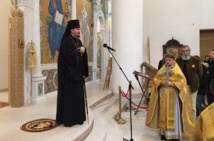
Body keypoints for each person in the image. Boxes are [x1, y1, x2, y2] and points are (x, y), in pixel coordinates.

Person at [145, 53, 194, 141]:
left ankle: (174, 135)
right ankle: (164, 133)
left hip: (173, 95)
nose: (167, 62)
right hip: (163, 94)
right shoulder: (163, 69)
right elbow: (156, 79)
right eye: (166, 60)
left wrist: (173, 83)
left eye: (169, 60)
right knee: (163, 113)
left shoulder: (177, 70)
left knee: (173, 113)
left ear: (174, 60)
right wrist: (161, 82)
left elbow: (183, 82)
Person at [56, 20, 89, 127]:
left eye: (79, 29)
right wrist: (78, 52)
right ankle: (69, 119)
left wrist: (84, 51)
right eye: (77, 29)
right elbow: (66, 57)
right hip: (68, 77)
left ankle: (78, 118)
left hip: (78, 76)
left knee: (78, 99)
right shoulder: (66, 41)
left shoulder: (78, 42)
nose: (79, 31)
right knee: (69, 99)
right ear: (71, 30)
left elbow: (81, 53)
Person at [176, 45, 203, 120]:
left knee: (192, 105)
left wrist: (195, 80)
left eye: (187, 51)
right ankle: (183, 122)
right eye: (183, 51)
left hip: (193, 86)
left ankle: (192, 122)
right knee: (182, 104)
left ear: (189, 51)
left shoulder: (195, 60)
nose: (185, 53)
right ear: (181, 52)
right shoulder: (178, 61)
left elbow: (200, 73)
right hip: (181, 86)